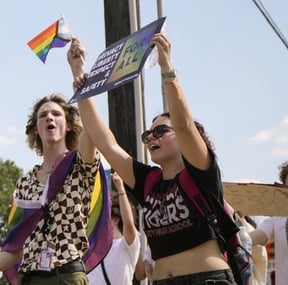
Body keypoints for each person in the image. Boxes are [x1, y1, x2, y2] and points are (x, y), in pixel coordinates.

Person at [70, 33, 238, 284]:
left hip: (207, 279)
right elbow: (105, 142)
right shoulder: (148, 181)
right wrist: (79, 76)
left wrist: (166, 67)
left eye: (160, 131)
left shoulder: (201, 171)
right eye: (147, 134)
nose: (150, 138)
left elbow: (183, 125)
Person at [0, 84, 101, 283]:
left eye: (56, 114)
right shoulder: (24, 184)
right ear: (36, 129)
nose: (49, 118)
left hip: (67, 275)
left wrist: (80, 80)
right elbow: (16, 244)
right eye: (43, 115)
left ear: (68, 125)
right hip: (30, 278)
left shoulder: (79, 166)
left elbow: (92, 129)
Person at [87, 172, 141, 285]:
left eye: (104, 217)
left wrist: (121, 189)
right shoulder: (91, 247)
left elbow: (129, 224)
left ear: (115, 220)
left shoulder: (127, 245)